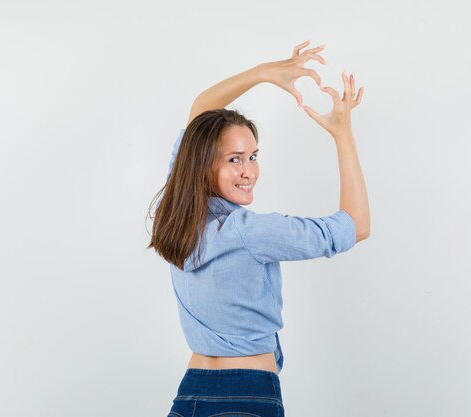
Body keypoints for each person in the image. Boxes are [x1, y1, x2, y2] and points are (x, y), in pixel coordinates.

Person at [148, 40, 370, 417]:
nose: (248, 171)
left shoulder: (178, 211)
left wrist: (263, 73)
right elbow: (355, 226)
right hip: (247, 395)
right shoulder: (250, 232)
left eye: (253, 156)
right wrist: (342, 134)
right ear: (203, 164)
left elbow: (200, 108)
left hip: (190, 395)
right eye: (234, 159)